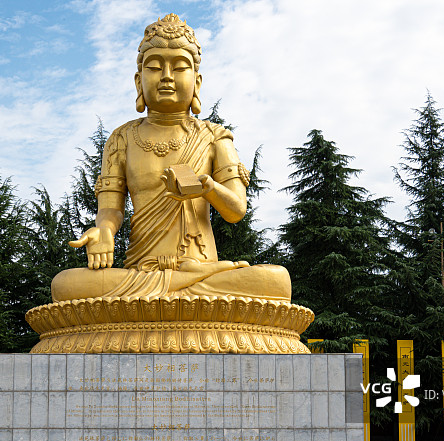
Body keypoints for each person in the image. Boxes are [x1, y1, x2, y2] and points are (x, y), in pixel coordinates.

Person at [51, 14, 290, 302]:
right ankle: (178, 287)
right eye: (154, 67)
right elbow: (111, 210)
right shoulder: (121, 139)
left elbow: (236, 210)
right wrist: (103, 230)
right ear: (139, 81)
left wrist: (208, 188)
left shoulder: (215, 137)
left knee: (275, 280)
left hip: (202, 267)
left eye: (178, 67)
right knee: (65, 286)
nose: (166, 76)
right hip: (139, 272)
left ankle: (181, 284)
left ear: (197, 82)